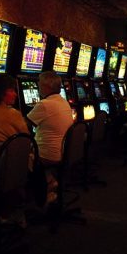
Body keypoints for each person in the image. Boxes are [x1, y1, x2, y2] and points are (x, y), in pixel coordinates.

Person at [27, 71, 74, 203]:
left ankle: (40, 193)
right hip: (63, 152)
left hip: (49, 155)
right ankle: (49, 181)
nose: (38, 86)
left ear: (47, 87)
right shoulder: (64, 102)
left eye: (39, 84)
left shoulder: (45, 104)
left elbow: (25, 124)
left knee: (20, 155)